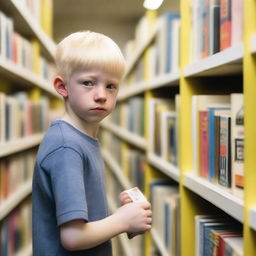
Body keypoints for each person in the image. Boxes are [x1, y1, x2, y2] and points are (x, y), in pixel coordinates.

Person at [32, 31, 152, 256]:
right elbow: (73, 237)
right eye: (88, 83)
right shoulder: (67, 147)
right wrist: (122, 221)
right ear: (62, 87)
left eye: (111, 86)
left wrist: (124, 214)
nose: (101, 95)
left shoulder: (81, 138)